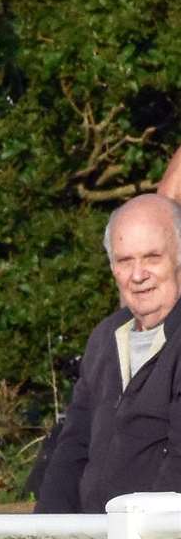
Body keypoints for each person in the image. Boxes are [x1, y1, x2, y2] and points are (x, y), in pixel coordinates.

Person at [36, 193, 181, 512]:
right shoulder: (105, 338)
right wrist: (44, 536)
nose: (138, 274)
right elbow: (73, 449)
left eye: (152, 257)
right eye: (125, 261)